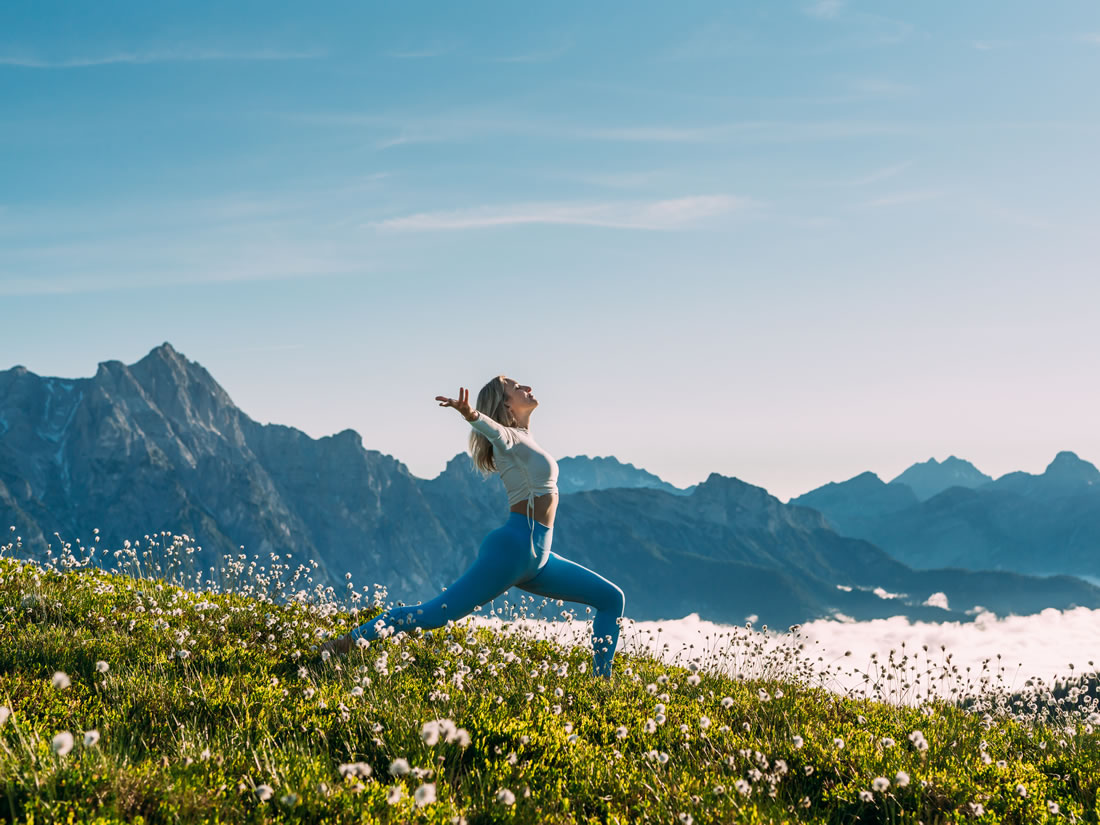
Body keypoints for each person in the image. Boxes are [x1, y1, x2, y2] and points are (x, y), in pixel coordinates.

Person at [321, 376, 627, 678]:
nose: (528, 387)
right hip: (513, 550)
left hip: (539, 557)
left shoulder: (524, 437)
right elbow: (495, 432)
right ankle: (339, 646)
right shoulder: (508, 437)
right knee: (435, 614)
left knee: (611, 599)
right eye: (517, 387)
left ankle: (602, 683)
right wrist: (471, 415)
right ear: (506, 403)